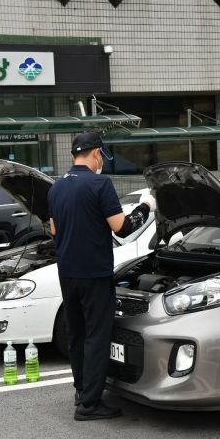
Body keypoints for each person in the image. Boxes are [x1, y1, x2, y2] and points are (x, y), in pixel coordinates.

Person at [48, 131, 154, 421]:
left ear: (73, 155)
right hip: (94, 272)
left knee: (77, 334)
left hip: (66, 273)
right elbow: (122, 227)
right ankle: (90, 404)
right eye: (101, 157)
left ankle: (82, 390)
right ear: (96, 154)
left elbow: (54, 230)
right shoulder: (99, 184)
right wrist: (146, 207)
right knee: (97, 335)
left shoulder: (56, 188)